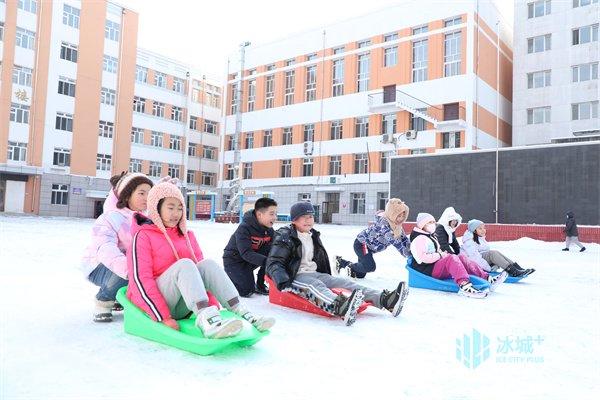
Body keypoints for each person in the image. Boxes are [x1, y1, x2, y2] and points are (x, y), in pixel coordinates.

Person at [126, 182, 275, 339]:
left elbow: (203, 278)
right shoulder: (143, 236)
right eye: (170, 207)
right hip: (154, 304)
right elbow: (139, 280)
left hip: (184, 302)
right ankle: (207, 321)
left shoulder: (187, 236)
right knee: (185, 264)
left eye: (180, 208)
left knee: (206, 265)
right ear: (156, 208)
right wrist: (162, 316)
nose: (176, 213)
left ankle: (241, 311)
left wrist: (213, 307)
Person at [266, 202, 408, 326]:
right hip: (293, 275)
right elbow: (274, 261)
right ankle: (340, 306)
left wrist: (329, 277)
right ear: (294, 220)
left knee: (344, 282)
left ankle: (385, 300)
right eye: (304, 217)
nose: (308, 220)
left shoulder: (313, 234)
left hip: (313, 273)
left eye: (311, 217)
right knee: (315, 286)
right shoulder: (284, 235)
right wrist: (282, 279)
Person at [81, 172, 153, 322]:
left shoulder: (146, 220)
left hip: (131, 267)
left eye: (149, 193)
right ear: (127, 195)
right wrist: (129, 270)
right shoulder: (110, 217)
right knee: (131, 267)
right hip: (99, 266)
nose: (147, 197)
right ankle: (104, 299)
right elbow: (105, 248)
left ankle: (121, 296)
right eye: (141, 193)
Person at [410, 213, 508, 298]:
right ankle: (464, 285)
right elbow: (422, 258)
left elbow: (441, 249)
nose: (433, 224)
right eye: (430, 223)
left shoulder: (430, 236)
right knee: (451, 258)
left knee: (460, 257)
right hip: (427, 269)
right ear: (422, 225)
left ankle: (487, 278)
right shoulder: (419, 239)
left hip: (434, 266)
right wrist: (440, 255)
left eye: (433, 222)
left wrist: (442, 254)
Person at [335, 198, 410, 278]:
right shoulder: (383, 223)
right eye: (398, 216)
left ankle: (341, 262)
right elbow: (393, 240)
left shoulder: (397, 227)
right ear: (392, 214)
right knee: (370, 267)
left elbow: (404, 239)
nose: (401, 218)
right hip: (362, 244)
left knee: (360, 274)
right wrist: (407, 254)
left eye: (403, 216)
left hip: (368, 248)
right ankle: (346, 265)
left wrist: (412, 251)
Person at [223, 198, 278, 297]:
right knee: (246, 291)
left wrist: (273, 261)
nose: (275, 217)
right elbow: (246, 253)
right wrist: (268, 261)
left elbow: (270, 254)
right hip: (234, 260)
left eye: (275, 214)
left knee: (272, 253)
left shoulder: (270, 231)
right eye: (271, 214)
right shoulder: (244, 228)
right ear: (260, 214)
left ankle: (259, 284)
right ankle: (227, 277)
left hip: (250, 261)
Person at [461, 220, 534, 277]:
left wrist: (495, 264)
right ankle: (513, 271)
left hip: (482, 261)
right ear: (474, 230)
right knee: (493, 253)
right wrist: (488, 268)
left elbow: (486, 254)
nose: (483, 230)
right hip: (474, 263)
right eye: (480, 228)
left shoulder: (480, 239)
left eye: (484, 228)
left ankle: (517, 268)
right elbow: (475, 258)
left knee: (496, 253)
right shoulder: (469, 242)